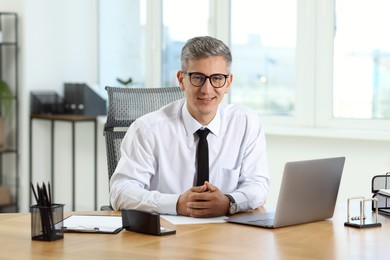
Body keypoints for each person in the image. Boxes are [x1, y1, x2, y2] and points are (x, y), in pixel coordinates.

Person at [110, 36, 270, 218]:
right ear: (181, 80)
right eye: (198, 78)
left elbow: (258, 186)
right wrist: (177, 204)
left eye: (217, 78)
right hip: (165, 237)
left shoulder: (246, 123)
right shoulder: (148, 129)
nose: (207, 89)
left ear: (228, 83)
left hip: (227, 236)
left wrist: (229, 202)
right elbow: (120, 192)